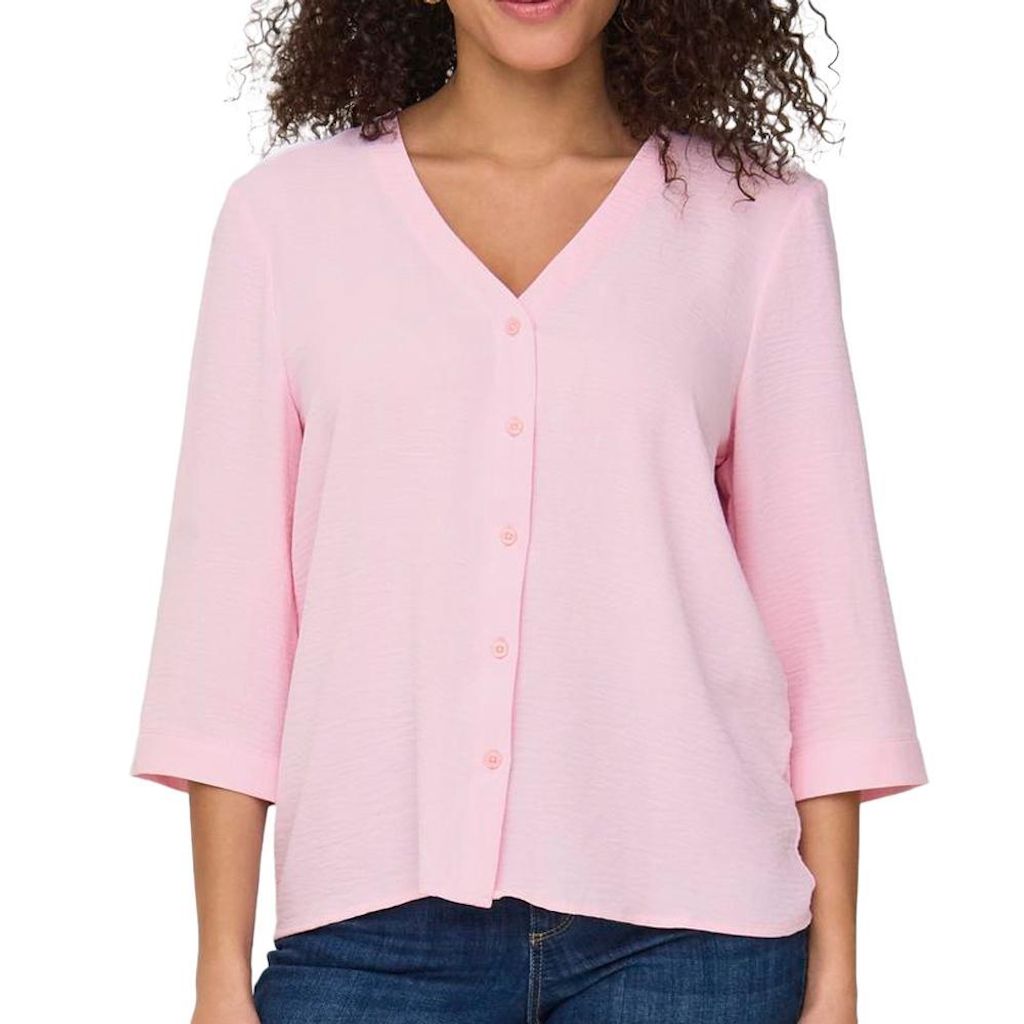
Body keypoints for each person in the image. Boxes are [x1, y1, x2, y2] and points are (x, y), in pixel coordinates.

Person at [129, 1, 928, 1022]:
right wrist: (216, 973)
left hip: (697, 936)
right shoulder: (284, 221)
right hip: (370, 931)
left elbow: (823, 618)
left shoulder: (758, 219)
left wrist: (837, 977)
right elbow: (228, 623)